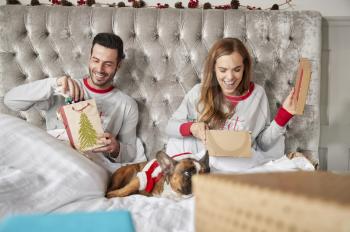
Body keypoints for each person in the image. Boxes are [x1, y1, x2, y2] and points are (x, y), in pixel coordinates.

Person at [4, 33, 140, 172]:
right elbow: (11, 101)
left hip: (88, 166)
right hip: (48, 157)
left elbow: (130, 154)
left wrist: (116, 148)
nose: (99, 69)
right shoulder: (63, 87)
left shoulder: (127, 104)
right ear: (89, 58)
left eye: (108, 64)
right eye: (96, 60)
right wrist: (54, 83)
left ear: (118, 65)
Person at [165, 37, 297, 172]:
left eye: (237, 69)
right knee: (176, 143)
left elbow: (263, 144)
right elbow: (170, 127)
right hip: (204, 165)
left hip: (238, 164)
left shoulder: (257, 94)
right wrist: (192, 128)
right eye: (223, 70)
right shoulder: (199, 92)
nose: (230, 77)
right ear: (214, 69)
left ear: (244, 68)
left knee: (265, 152)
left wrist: (284, 115)